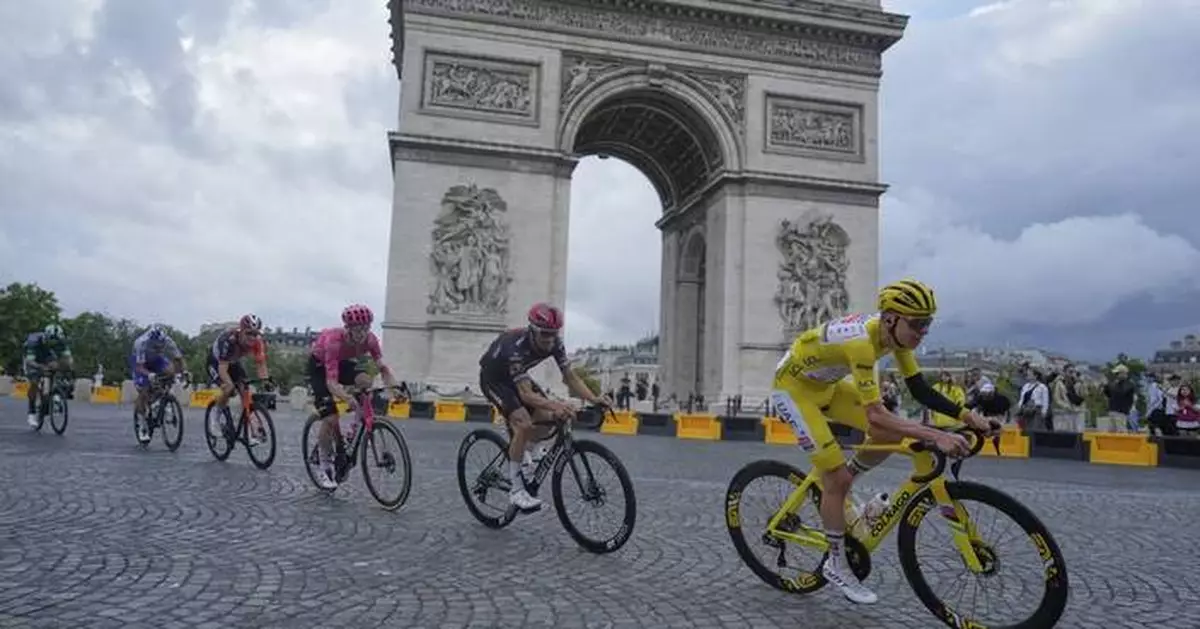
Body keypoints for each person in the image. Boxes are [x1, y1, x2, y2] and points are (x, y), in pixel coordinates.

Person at [770, 279, 997, 605]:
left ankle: (843, 490)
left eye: (928, 324)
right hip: (792, 392)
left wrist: (970, 417)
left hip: (826, 388)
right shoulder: (862, 343)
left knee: (891, 435)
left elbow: (919, 390)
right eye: (917, 324)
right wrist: (937, 435)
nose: (923, 332)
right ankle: (836, 562)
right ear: (891, 318)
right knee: (837, 478)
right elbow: (875, 415)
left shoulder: (896, 338)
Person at [478, 302, 612, 511]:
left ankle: (524, 448)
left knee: (551, 419)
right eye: (544, 334)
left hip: (517, 378)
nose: (549, 339)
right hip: (494, 380)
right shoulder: (516, 347)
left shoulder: (555, 343)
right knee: (523, 423)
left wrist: (595, 399)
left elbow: (570, 377)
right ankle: (516, 490)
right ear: (532, 330)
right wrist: (556, 404)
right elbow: (525, 394)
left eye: (553, 333)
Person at [308, 304, 403, 489]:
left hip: (343, 363)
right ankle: (324, 464)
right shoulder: (334, 341)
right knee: (331, 417)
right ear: (348, 328)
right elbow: (332, 383)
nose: (362, 334)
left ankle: (355, 428)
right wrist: (347, 398)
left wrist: (395, 388)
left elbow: (383, 368)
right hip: (320, 367)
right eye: (357, 329)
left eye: (365, 328)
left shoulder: (371, 340)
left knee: (365, 380)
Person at [206, 314, 272, 445]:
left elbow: (261, 364)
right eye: (249, 334)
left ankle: (247, 431)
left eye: (255, 334)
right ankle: (215, 416)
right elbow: (223, 369)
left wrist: (265, 381)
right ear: (241, 331)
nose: (252, 338)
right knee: (229, 388)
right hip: (217, 362)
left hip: (234, 362)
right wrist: (229, 384)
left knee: (245, 390)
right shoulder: (229, 340)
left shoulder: (257, 342)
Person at [131, 324, 186, 440]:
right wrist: (149, 374)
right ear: (151, 341)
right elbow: (140, 367)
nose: (160, 348)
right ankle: (142, 424)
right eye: (156, 346)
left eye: (162, 345)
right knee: (144, 390)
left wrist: (183, 373)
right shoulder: (141, 343)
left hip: (156, 360)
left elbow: (179, 359)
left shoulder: (168, 340)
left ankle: (163, 398)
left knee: (171, 371)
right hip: (141, 363)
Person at [22, 324, 74, 428]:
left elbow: (68, 359)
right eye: (51, 342)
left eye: (56, 342)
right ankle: (31, 412)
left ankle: (51, 394)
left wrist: (67, 367)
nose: (54, 344)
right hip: (33, 357)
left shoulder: (62, 342)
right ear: (45, 337)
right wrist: (40, 367)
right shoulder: (34, 340)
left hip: (48, 356)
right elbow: (30, 361)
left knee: (54, 367)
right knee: (34, 382)